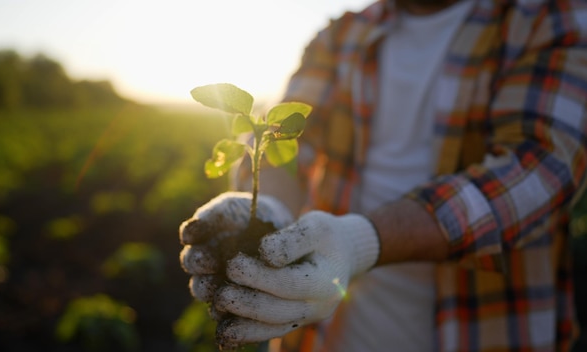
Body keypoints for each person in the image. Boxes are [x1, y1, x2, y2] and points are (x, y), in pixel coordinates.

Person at [180, 0, 587, 350]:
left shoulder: (545, 18)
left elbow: (538, 169)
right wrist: (268, 207)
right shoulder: (344, 34)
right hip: (321, 332)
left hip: (483, 331)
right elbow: (286, 150)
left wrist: (358, 243)